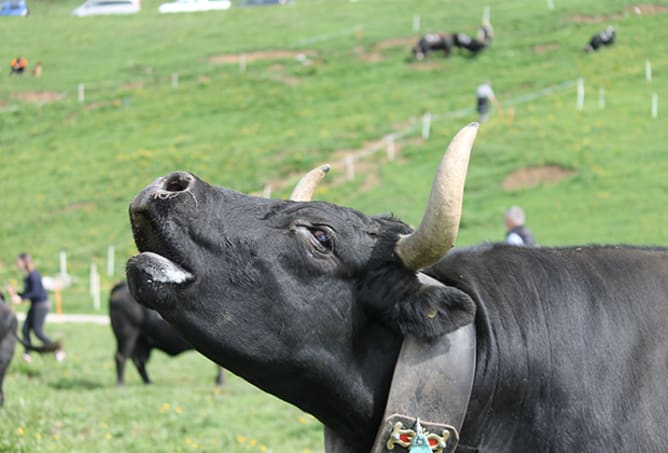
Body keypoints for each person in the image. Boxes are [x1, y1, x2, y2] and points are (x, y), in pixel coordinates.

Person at [4, 253, 65, 363]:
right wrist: (15, 293)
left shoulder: (34, 275)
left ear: (24, 262)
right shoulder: (27, 275)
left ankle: (57, 349)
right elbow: (28, 293)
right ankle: (27, 354)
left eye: (18, 261)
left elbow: (35, 292)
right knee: (25, 329)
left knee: (37, 332)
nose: (17, 263)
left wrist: (21, 299)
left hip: (41, 305)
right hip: (35, 305)